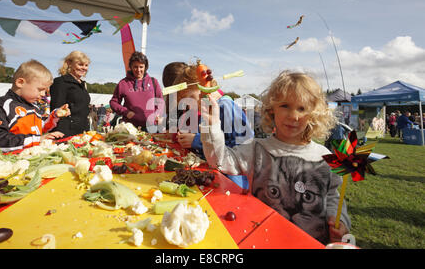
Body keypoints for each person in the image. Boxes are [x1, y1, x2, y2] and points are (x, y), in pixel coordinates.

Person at [199, 71, 350, 244]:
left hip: (312, 242)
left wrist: (340, 221)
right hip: (263, 239)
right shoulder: (257, 149)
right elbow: (220, 161)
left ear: (313, 114)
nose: (293, 116)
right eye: (285, 105)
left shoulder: (325, 157)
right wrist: (211, 126)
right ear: (272, 109)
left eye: (302, 108)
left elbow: (333, 196)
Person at [0, 60, 70, 152]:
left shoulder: (34, 106)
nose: (43, 94)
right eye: (40, 89)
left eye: (45, 91)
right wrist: (36, 140)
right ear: (20, 82)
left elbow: (40, 128)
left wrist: (54, 116)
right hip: (8, 162)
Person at [110, 51, 163, 131]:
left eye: (141, 67)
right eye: (135, 66)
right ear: (130, 67)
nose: (138, 70)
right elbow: (113, 102)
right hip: (130, 128)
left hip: (151, 127)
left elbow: (160, 102)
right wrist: (126, 112)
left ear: (145, 67)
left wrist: (158, 114)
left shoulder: (153, 82)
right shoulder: (123, 83)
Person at [50, 50, 91, 137]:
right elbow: (57, 110)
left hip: (83, 130)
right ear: (69, 63)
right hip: (66, 131)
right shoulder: (60, 82)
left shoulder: (83, 84)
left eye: (86, 65)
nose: (84, 68)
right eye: (80, 64)